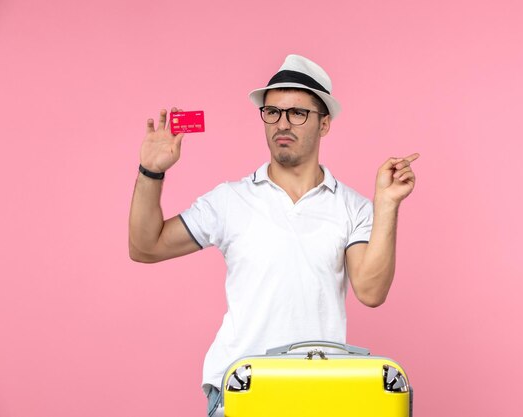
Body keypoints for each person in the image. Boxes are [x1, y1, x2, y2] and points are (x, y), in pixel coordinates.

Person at [128, 54, 418, 415]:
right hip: (241, 391)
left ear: (324, 123)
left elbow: (372, 291)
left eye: (298, 113)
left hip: (322, 395)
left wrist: (386, 205)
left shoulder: (353, 208)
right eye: (273, 112)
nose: (283, 123)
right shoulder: (229, 199)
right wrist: (150, 172)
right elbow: (145, 246)